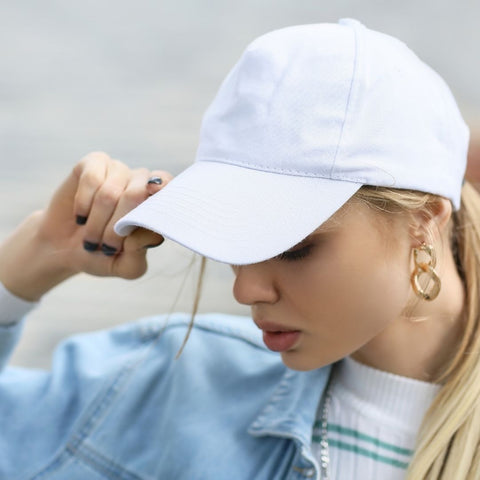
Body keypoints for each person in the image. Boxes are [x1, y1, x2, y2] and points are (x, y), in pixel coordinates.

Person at [0, 17, 475, 480]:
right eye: (230, 235)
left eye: (293, 248)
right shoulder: (177, 386)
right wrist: (29, 263)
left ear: (423, 221)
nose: (246, 288)